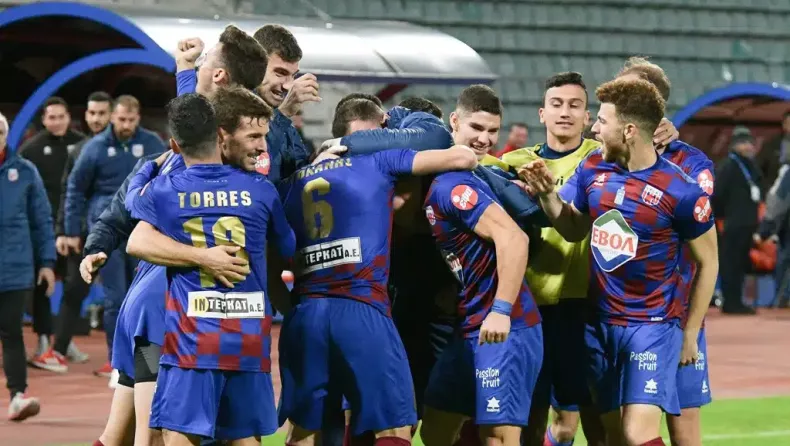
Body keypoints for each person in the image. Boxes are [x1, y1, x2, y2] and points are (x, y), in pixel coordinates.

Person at [83, 29, 269, 446]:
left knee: (120, 432)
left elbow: (191, 109)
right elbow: (137, 237)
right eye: (256, 137)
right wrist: (205, 257)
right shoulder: (218, 159)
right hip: (166, 312)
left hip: (154, 307)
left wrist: (184, 69)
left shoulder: (181, 152)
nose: (261, 145)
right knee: (154, 434)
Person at [520, 78, 718, 446]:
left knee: (637, 433)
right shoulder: (594, 167)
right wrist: (548, 196)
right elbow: (573, 229)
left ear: (628, 131)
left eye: (602, 121)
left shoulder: (682, 191)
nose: (594, 129)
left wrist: (690, 333)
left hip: (652, 326)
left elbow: (709, 263)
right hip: (598, 323)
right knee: (611, 434)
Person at [275, 97, 479, 446]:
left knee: (304, 428)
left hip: (305, 313)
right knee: (396, 425)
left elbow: (272, 259)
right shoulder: (379, 160)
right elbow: (464, 156)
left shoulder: (291, 182)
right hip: (361, 307)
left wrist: (290, 308)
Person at [125, 91, 294, 445]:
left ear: (175, 145)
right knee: (245, 438)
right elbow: (288, 248)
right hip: (249, 340)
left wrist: (147, 170)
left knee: (177, 436)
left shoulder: (166, 191)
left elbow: (135, 228)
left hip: (193, 343)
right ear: (220, 136)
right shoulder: (262, 189)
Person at [413, 85, 542, 446]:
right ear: (454, 122)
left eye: (492, 131)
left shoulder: (456, 187)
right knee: (435, 429)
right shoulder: (453, 178)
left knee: (498, 438)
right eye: (476, 128)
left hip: (504, 327)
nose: (484, 139)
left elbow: (515, 239)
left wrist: (501, 311)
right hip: (469, 325)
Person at [615, 57, 716, 446]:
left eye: (625, 91)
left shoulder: (691, 164)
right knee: (619, 428)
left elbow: (704, 249)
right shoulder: (604, 155)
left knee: (683, 425)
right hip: (615, 315)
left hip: (673, 314)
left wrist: (690, 330)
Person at [64, 94, 167, 377]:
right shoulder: (94, 147)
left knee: (145, 297)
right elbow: (75, 189)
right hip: (110, 230)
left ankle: (145, 362)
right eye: (121, 119)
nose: (126, 125)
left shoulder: (152, 144)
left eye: (131, 120)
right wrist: (72, 230)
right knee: (115, 298)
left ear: (138, 118)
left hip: (144, 232)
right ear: (113, 117)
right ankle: (116, 361)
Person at [32, 91, 113, 373]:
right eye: (92, 113)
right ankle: (56, 348)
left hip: (121, 235)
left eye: (102, 113)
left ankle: (120, 360)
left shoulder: (132, 148)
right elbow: (70, 192)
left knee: (122, 295)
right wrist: (66, 231)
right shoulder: (79, 149)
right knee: (73, 290)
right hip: (82, 235)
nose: (96, 119)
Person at [17, 96, 85, 358]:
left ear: (69, 118)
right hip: (42, 229)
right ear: (44, 120)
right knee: (42, 284)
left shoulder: (84, 145)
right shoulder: (31, 149)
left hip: (73, 228)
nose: (57, 122)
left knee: (74, 284)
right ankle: (43, 338)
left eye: (61, 117)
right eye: (51, 117)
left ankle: (65, 340)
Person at [0, 111, 56, 421]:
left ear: (6, 135)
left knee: (11, 333)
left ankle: (17, 397)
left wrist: (46, 263)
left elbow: (41, 220)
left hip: (14, 268)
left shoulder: (24, 171)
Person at [253, 24, 317, 180]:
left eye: (293, 76)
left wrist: (319, 161)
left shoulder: (283, 122)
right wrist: (284, 113)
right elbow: (254, 170)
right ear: (254, 65)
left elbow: (296, 173)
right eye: (280, 73)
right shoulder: (231, 111)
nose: (288, 85)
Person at [712, 126, 761, 315]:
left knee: (740, 263)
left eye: (750, 143)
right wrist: (723, 215)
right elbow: (717, 194)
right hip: (733, 223)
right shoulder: (729, 166)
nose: (748, 146)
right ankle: (731, 302)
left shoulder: (750, 165)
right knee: (731, 263)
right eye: (743, 143)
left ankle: (737, 300)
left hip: (747, 222)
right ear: (734, 145)